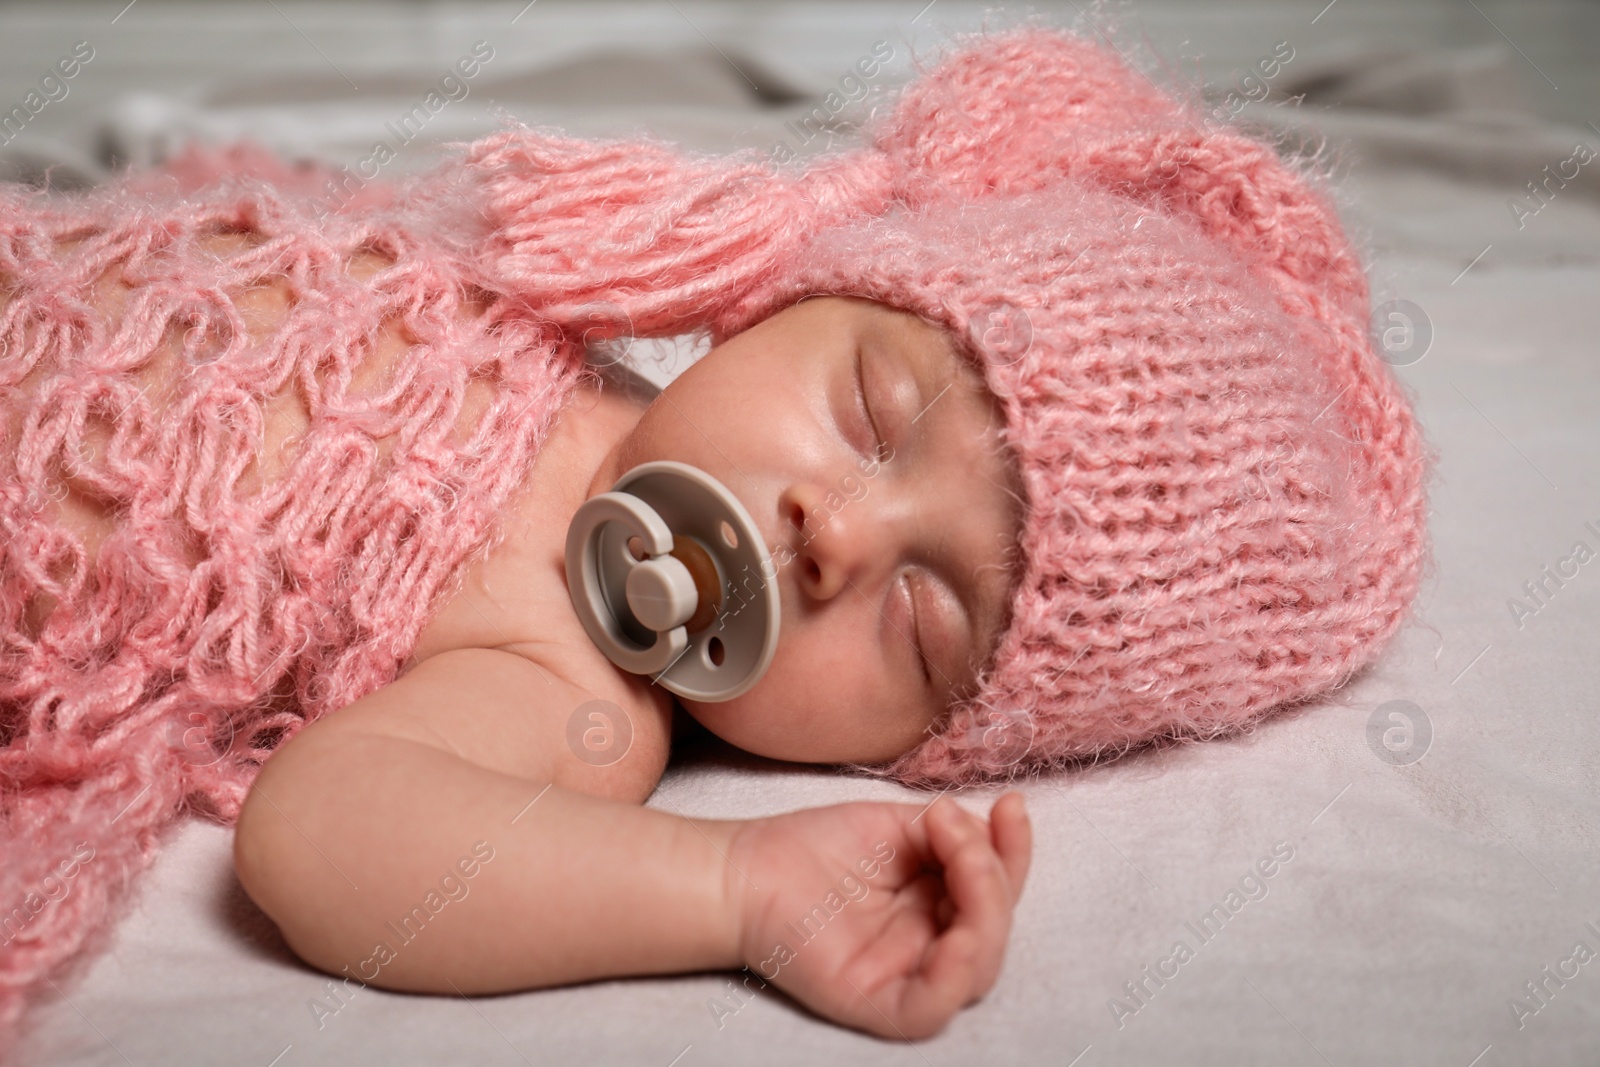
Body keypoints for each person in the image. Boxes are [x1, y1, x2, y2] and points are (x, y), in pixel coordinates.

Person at [0, 18, 1429, 1048]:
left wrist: (741, 890)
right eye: (871, 409)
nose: (837, 535)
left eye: (919, 621)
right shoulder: (572, 332)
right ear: (784, 301)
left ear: (926, 749)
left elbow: (323, 840)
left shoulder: (576, 695)